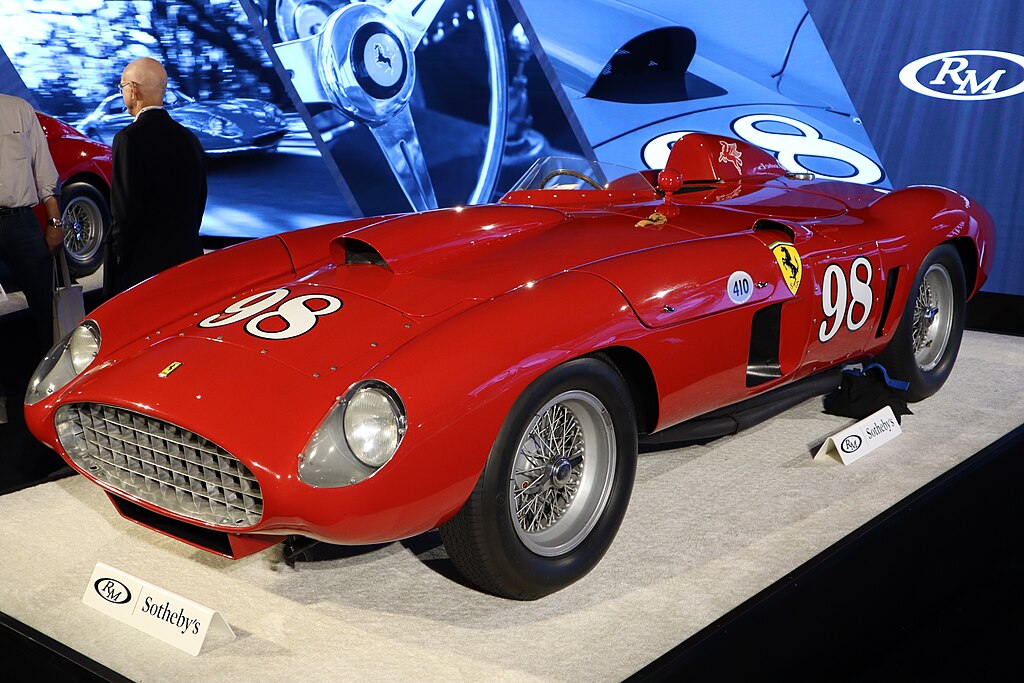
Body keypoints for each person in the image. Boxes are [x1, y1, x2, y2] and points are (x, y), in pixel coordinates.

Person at [105, 57, 207, 296]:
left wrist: (119, 257)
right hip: (188, 258)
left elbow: (123, 210)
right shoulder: (189, 138)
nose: (122, 94)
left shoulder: (128, 138)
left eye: (122, 88)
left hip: (144, 268)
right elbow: (200, 198)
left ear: (133, 90)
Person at [0, 93, 64, 424]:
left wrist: (54, 222)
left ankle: (51, 387)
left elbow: (43, 167)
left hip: (21, 221)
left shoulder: (18, 109)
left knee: (44, 305)